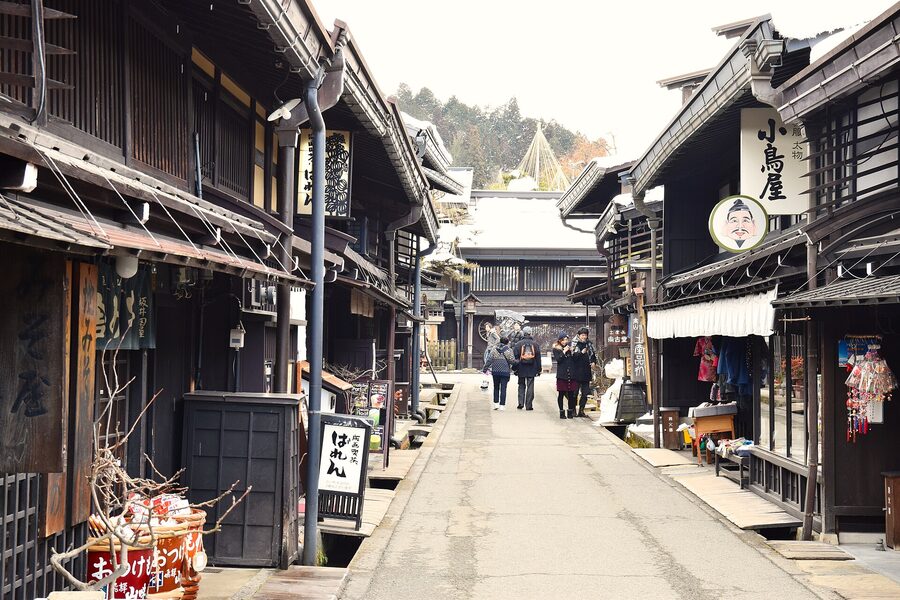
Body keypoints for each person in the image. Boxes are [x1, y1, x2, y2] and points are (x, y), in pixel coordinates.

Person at [571, 326, 598, 418]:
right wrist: (581, 353)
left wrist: (594, 362)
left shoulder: (589, 344)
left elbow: (593, 355)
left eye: (585, 335)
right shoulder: (575, 344)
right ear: (579, 335)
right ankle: (573, 410)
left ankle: (581, 411)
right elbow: (573, 357)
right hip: (576, 372)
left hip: (586, 371)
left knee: (585, 393)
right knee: (574, 393)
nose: (584, 337)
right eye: (582, 335)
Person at [513, 326, 542, 410]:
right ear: (530, 333)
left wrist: (515, 368)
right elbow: (538, 358)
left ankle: (520, 403)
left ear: (523, 333)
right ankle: (529, 405)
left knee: (521, 385)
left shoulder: (518, 344)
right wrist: (539, 369)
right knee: (530, 386)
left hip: (521, 367)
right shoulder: (535, 344)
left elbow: (515, 357)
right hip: (532, 368)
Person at [486, 336, 517, 410]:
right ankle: (502, 405)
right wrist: (517, 363)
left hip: (495, 371)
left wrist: (485, 368)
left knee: (496, 387)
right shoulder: (509, 350)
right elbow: (512, 361)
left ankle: (496, 404)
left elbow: (489, 359)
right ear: (507, 342)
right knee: (503, 388)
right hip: (505, 371)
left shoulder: (494, 349)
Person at [552, 332, 578, 419]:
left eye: (566, 340)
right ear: (560, 340)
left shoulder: (569, 348)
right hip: (562, 374)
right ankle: (561, 412)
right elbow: (559, 359)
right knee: (561, 394)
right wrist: (564, 351)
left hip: (571, 374)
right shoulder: (556, 349)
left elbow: (574, 359)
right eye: (563, 340)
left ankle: (570, 412)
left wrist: (573, 351)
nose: (565, 341)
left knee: (571, 394)